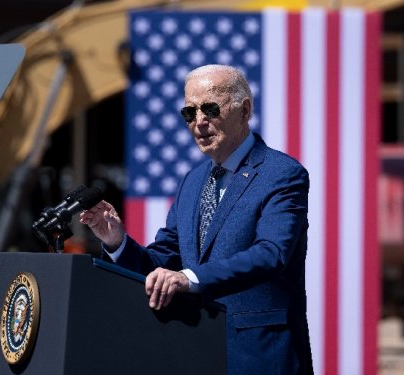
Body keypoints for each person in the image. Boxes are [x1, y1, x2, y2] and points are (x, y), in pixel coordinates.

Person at [80, 64, 313, 374]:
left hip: (260, 355)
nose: (199, 122)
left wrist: (189, 279)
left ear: (244, 110)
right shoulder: (193, 181)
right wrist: (116, 241)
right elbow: (164, 260)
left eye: (211, 109)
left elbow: (271, 253)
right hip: (197, 351)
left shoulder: (281, 174)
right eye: (189, 113)